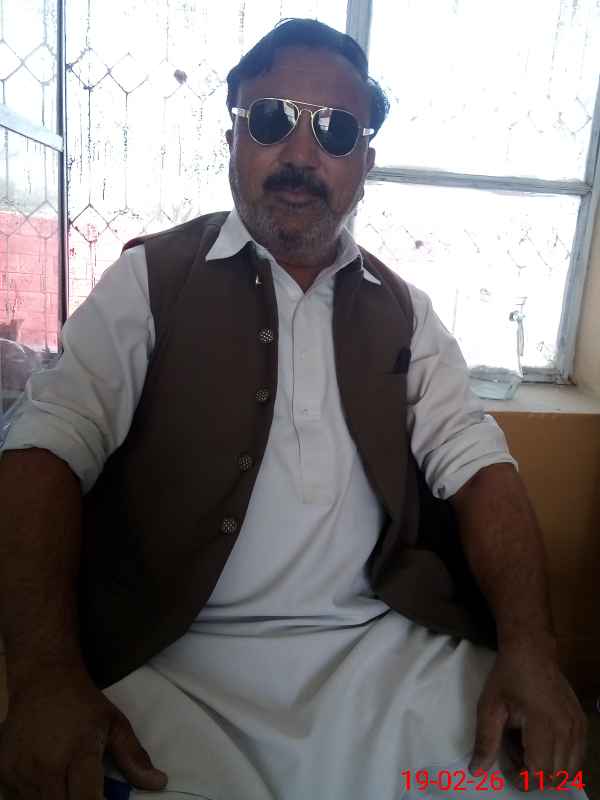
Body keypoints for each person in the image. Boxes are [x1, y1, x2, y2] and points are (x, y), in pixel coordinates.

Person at [0, 17, 587, 800]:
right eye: (274, 119)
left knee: (539, 782)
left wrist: (533, 651)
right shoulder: (149, 284)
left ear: (364, 165)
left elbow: (481, 469)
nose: (303, 154)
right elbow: (42, 451)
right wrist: (43, 676)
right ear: (235, 140)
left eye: (336, 130)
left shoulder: (404, 313)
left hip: (384, 652)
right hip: (173, 660)